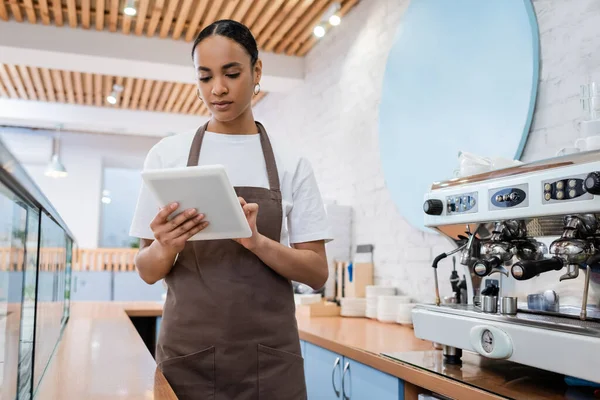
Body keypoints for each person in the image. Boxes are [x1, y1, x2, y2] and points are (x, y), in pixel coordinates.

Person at [128, 19, 332, 400]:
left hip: (269, 362)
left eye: (232, 73)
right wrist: (167, 245)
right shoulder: (167, 156)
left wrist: (256, 242)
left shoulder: (291, 162)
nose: (217, 89)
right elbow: (146, 270)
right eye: (205, 77)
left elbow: (317, 272)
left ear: (256, 71)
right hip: (187, 358)